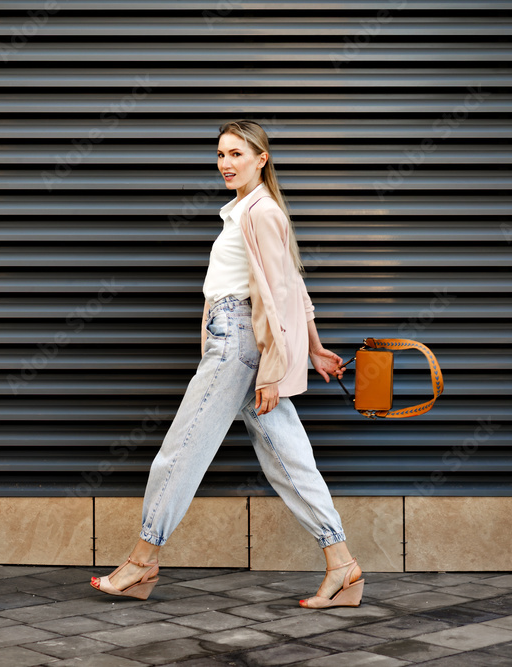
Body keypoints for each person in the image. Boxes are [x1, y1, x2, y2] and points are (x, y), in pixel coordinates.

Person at [90, 120, 363, 609]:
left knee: (182, 449)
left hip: (239, 340)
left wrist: (276, 369)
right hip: (241, 337)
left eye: (236, 153)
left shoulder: (260, 213)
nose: (226, 163)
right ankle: (343, 567)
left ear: (261, 159)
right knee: (290, 460)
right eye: (220, 155)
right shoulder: (243, 211)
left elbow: (280, 293)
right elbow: (294, 285)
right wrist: (316, 349)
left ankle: (142, 560)